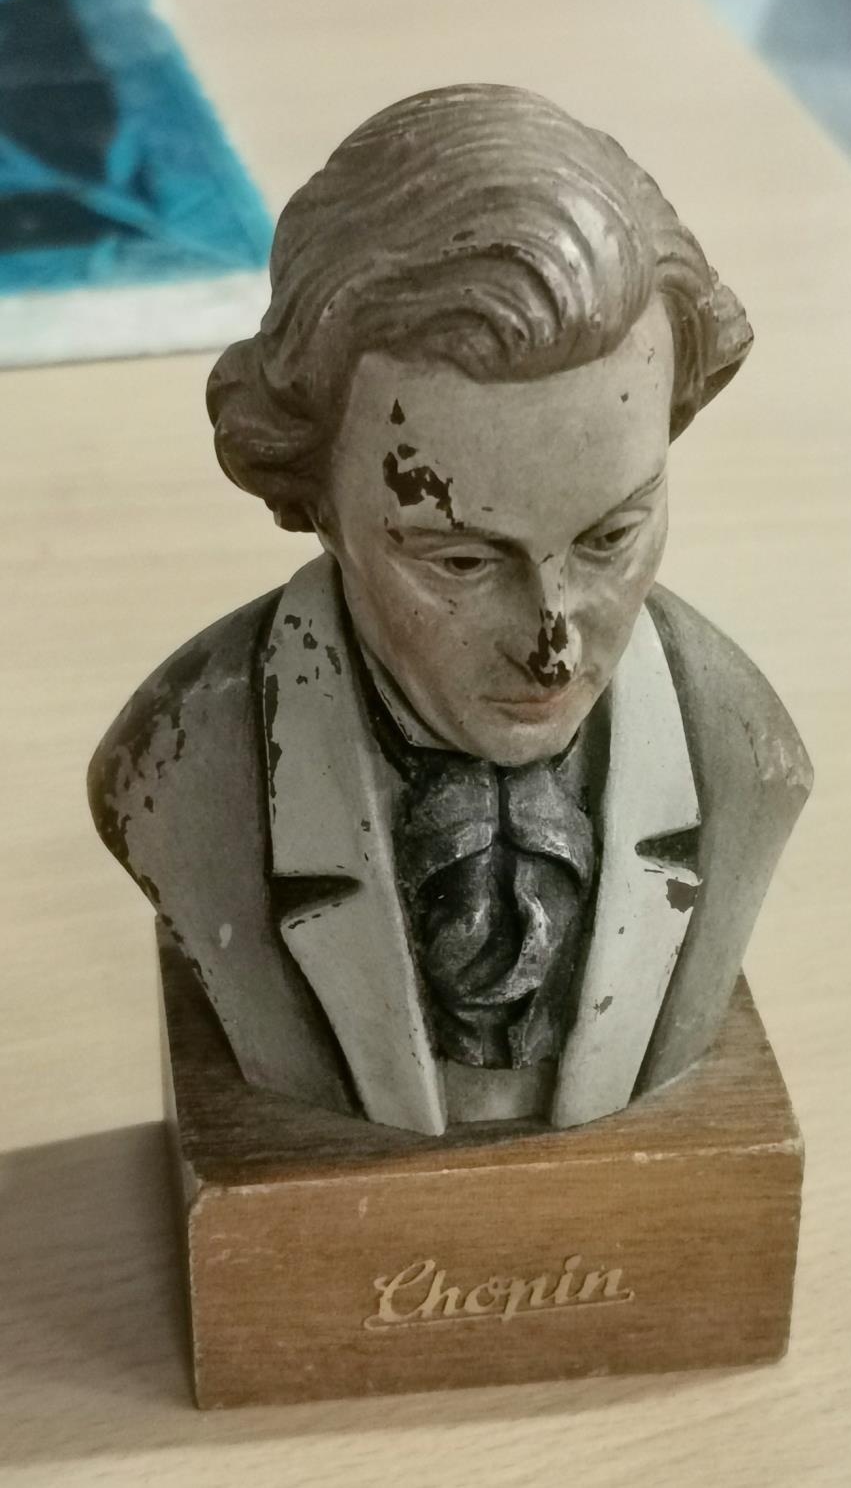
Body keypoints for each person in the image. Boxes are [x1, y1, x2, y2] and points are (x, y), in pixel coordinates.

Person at [88, 85, 812, 1136]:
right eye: (462, 560)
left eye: (610, 538)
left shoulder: (746, 755)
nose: (553, 645)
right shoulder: (179, 771)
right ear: (313, 496)